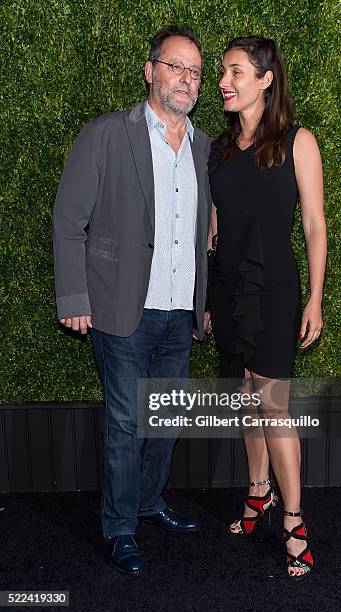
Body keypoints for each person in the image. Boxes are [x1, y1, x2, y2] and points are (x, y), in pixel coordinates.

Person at [52, 26, 212, 576]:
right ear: (150, 70)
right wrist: (74, 295)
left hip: (178, 310)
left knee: (163, 420)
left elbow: (198, 231)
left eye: (194, 71)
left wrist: (202, 299)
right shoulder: (106, 134)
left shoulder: (202, 145)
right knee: (124, 423)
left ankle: (148, 501)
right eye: (175, 67)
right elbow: (69, 220)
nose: (185, 79)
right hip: (122, 307)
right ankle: (120, 528)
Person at [206, 36, 327, 580]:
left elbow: (314, 225)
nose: (224, 82)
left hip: (275, 290)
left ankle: (294, 522)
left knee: (273, 406)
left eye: (234, 72)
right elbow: (213, 226)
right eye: (223, 73)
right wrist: (207, 298)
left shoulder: (299, 141)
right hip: (228, 290)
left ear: (265, 78)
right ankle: (259, 494)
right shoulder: (218, 147)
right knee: (243, 401)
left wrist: (316, 298)